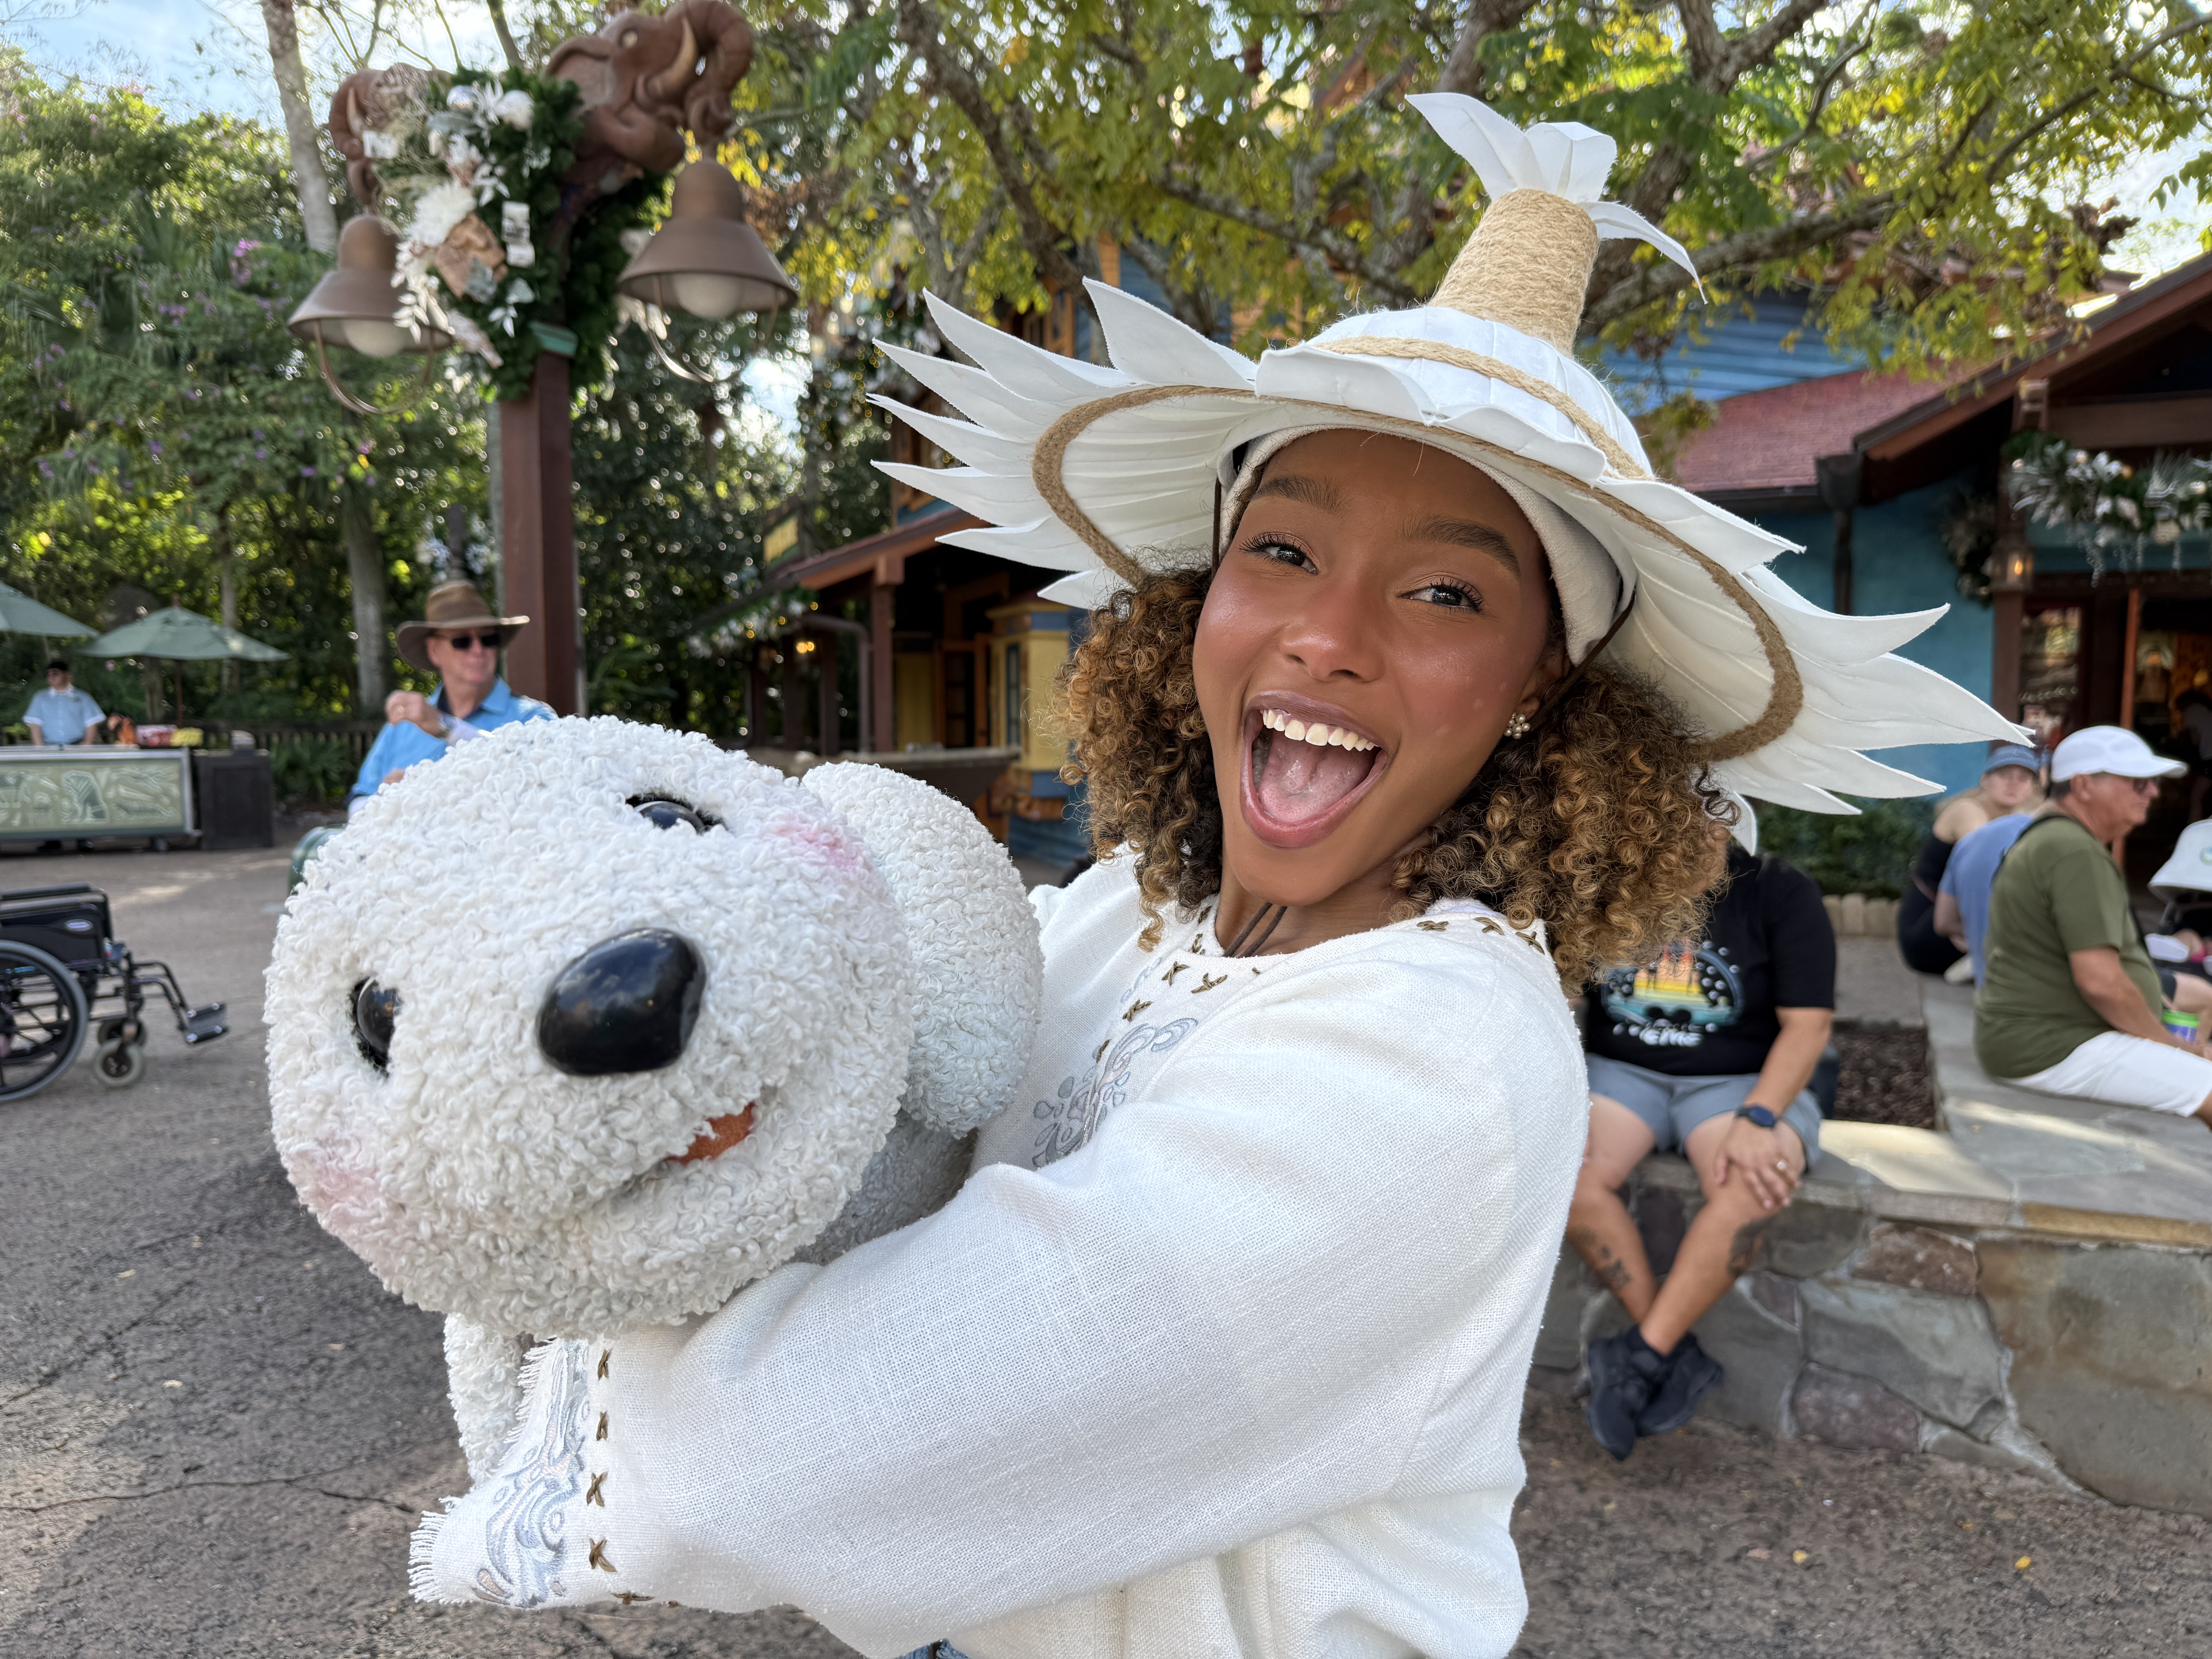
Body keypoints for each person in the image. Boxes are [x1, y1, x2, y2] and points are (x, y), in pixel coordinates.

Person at [422, 97, 2016, 1658]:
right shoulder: (1139, 905)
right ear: (1203, 593)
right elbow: (892, 1087)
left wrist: (539, 1292)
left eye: (1448, 591)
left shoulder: (1433, 1061)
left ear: (1546, 681)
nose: (1329, 632)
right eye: (1285, 550)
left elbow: (852, 1435)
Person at [1571, 827, 1834, 1459]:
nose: (1688, 828)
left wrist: (1763, 1116)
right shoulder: (1605, 878)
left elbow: (1809, 1024)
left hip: (1738, 1079)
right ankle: (1663, 1348)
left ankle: (1639, 1354)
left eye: (1707, 812)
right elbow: (1559, 991)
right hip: (1621, 1074)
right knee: (1561, 1166)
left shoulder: (1778, 890)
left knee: (1752, 1181)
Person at [1976, 726, 2212, 1122]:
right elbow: (2100, 981)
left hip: (2040, 1036)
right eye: (2139, 783)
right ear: (2084, 785)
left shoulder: (2054, 838)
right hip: (2052, 1044)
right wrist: (2169, 1046)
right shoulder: (2072, 851)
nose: (2153, 792)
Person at [349, 581, 551, 810]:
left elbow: (550, 779)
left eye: (488, 639)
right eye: (462, 641)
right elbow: (360, 796)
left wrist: (445, 727)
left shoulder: (534, 719)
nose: (478, 650)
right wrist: (386, 804)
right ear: (434, 651)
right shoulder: (404, 724)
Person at [1898, 742, 2045, 974]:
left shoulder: (2019, 818)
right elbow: (1986, 866)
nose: (2013, 784)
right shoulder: (1968, 810)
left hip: (1958, 923)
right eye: (2005, 775)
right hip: (1928, 933)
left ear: (2032, 788)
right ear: (1985, 780)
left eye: (2023, 778)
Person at [22, 659, 103, 747]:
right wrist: (40, 747)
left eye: (56, 674)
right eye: (49, 675)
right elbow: (35, 724)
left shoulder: (83, 697)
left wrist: (86, 745)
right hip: (49, 748)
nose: (51, 677)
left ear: (67, 675)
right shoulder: (40, 698)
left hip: (76, 748)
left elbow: (92, 723)